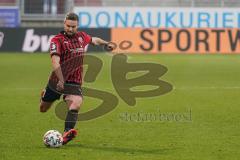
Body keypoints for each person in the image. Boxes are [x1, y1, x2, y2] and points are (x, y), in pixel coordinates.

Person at [39, 12, 114, 145]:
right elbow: (55, 62)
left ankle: (67, 132)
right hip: (57, 80)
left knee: (76, 103)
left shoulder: (82, 36)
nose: (70, 29)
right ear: (64, 24)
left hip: (75, 81)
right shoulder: (57, 40)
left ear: (77, 26)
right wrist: (61, 80)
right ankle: (45, 94)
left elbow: (94, 40)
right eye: (68, 26)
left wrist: (106, 43)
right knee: (43, 108)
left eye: (73, 26)